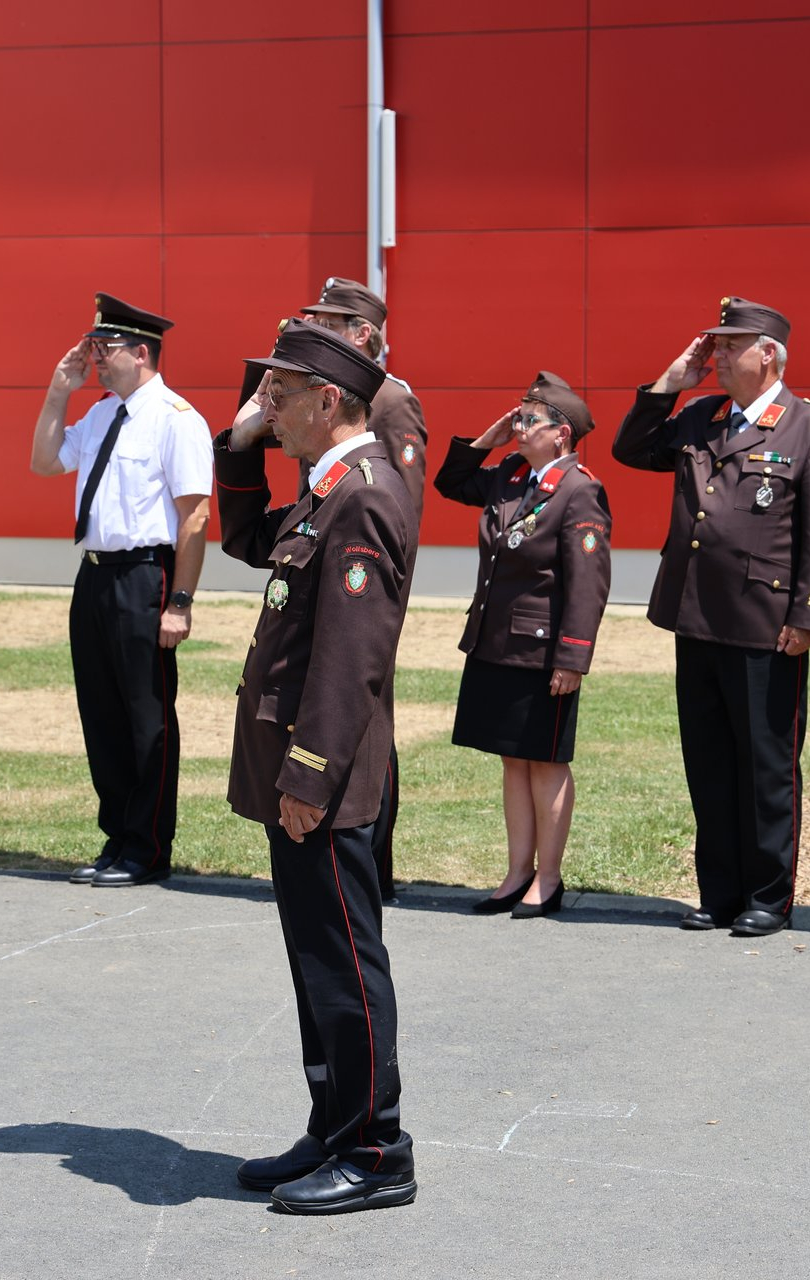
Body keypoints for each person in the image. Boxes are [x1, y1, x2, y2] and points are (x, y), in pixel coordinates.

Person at [217, 319, 417, 1214]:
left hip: (323, 780)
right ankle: (332, 1126)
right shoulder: (326, 489)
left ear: (328, 399)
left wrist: (306, 775)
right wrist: (239, 447)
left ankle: (376, 1149)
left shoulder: (361, 495)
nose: (267, 405)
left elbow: (350, 658)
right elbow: (246, 539)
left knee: (344, 965)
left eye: (280, 393)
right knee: (314, 962)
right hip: (301, 774)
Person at [611, 297, 810, 938]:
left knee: (767, 766)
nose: (716, 354)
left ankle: (768, 897)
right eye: (715, 344)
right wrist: (670, 384)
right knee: (709, 762)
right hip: (696, 614)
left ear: (768, 354)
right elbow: (631, 448)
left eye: (730, 345)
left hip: (765, 622)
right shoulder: (702, 417)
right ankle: (718, 893)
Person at [27, 293, 211, 888]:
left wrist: (180, 602)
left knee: (146, 719)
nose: (96, 358)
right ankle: (117, 838)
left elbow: (195, 516)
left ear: (141, 352)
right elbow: (45, 462)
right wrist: (59, 391)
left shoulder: (177, 419)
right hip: (95, 576)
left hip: (144, 577)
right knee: (101, 715)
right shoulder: (102, 414)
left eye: (105, 348)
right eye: (94, 347)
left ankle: (148, 847)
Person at [433, 372, 612, 918]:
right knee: (512, 759)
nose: (519, 425)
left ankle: (548, 879)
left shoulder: (580, 490)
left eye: (530, 419)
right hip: (496, 641)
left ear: (562, 433)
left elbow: (588, 583)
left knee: (545, 760)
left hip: (541, 651)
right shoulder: (510, 476)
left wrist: (573, 657)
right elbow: (450, 483)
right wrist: (484, 443)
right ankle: (517, 873)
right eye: (518, 414)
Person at [298, 278, 427, 904]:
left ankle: (376, 860)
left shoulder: (391, 399)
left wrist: (385, 592)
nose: (315, 330)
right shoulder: (318, 386)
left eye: (327, 323)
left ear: (363, 332)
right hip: (316, 567)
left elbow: (403, 507)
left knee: (368, 719)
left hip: (364, 580)